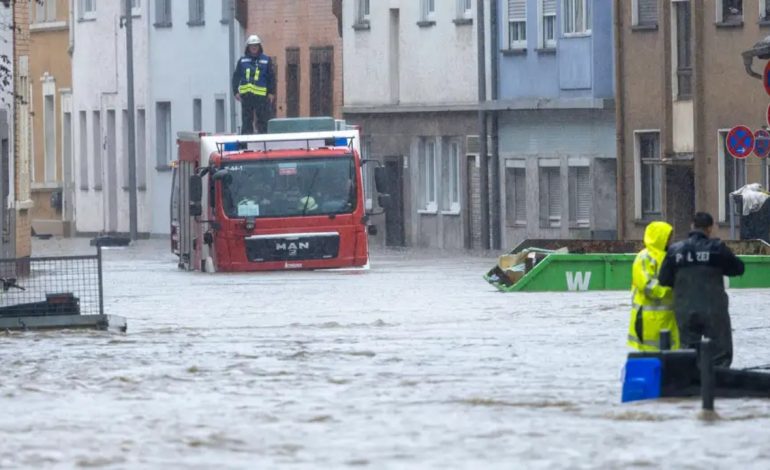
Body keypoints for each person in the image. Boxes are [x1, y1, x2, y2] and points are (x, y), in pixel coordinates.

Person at [658, 212, 745, 367]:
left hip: (685, 309)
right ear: (710, 228)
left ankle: (691, 384)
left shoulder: (675, 250)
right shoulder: (717, 249)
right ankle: (717, 384)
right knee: (720, 353)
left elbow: (663, 279)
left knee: (688, 351)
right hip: (714, 309)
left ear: (692, 225)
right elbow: (738, 268)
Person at [627, 221, 679, 352]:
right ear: (659, 237)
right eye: (668, 237)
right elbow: (647, 285)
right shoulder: (644, 257)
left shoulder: (670, 256)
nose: (670, 240)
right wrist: (670, 291)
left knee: (670, 356)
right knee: (649, 356)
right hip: (647, 319)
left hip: (668, 318)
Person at [232, 34, 275, 135]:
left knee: (263, 121)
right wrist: (235, 92)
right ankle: (246, 144)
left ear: (259, 46)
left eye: (256, 45)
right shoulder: (242, 61)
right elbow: (236, 77)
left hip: (261, 97)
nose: (254, 47)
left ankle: (263, 143)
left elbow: (271, 77)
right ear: (248, 47)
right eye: (252, 45)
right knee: (247, 122)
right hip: (247, 96)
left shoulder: (266, 60)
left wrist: (271, 92)